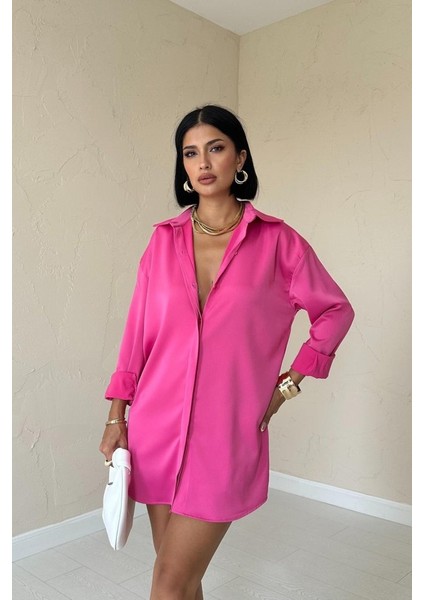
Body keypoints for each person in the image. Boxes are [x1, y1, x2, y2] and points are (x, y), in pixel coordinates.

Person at [99, 104, 355, 600]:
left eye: (215, 148)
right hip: (155, 428)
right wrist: (116, 415)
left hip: (226, 432)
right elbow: (136, 337)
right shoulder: (162, 242)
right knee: (180, 579)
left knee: (168, 584)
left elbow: (334, 310)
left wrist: (288, 384)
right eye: (190, 153)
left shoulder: (278, 242)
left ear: (239, 157)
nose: (203, 162)